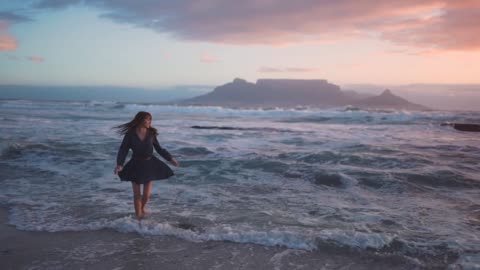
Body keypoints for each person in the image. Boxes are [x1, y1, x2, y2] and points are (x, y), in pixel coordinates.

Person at [114, 111, 180, 219]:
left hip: (150, 164)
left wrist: (170, 158)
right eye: (147, 119)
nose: (149, 121)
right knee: (137, 195)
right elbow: (123, 149)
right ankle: (139, 217)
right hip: (135, 164)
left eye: (150, 119)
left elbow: (159, 148)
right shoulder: (130, 134)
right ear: (140, 120)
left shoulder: (151, 133)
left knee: (146, 195)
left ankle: (142, 208)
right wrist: (120, 164)